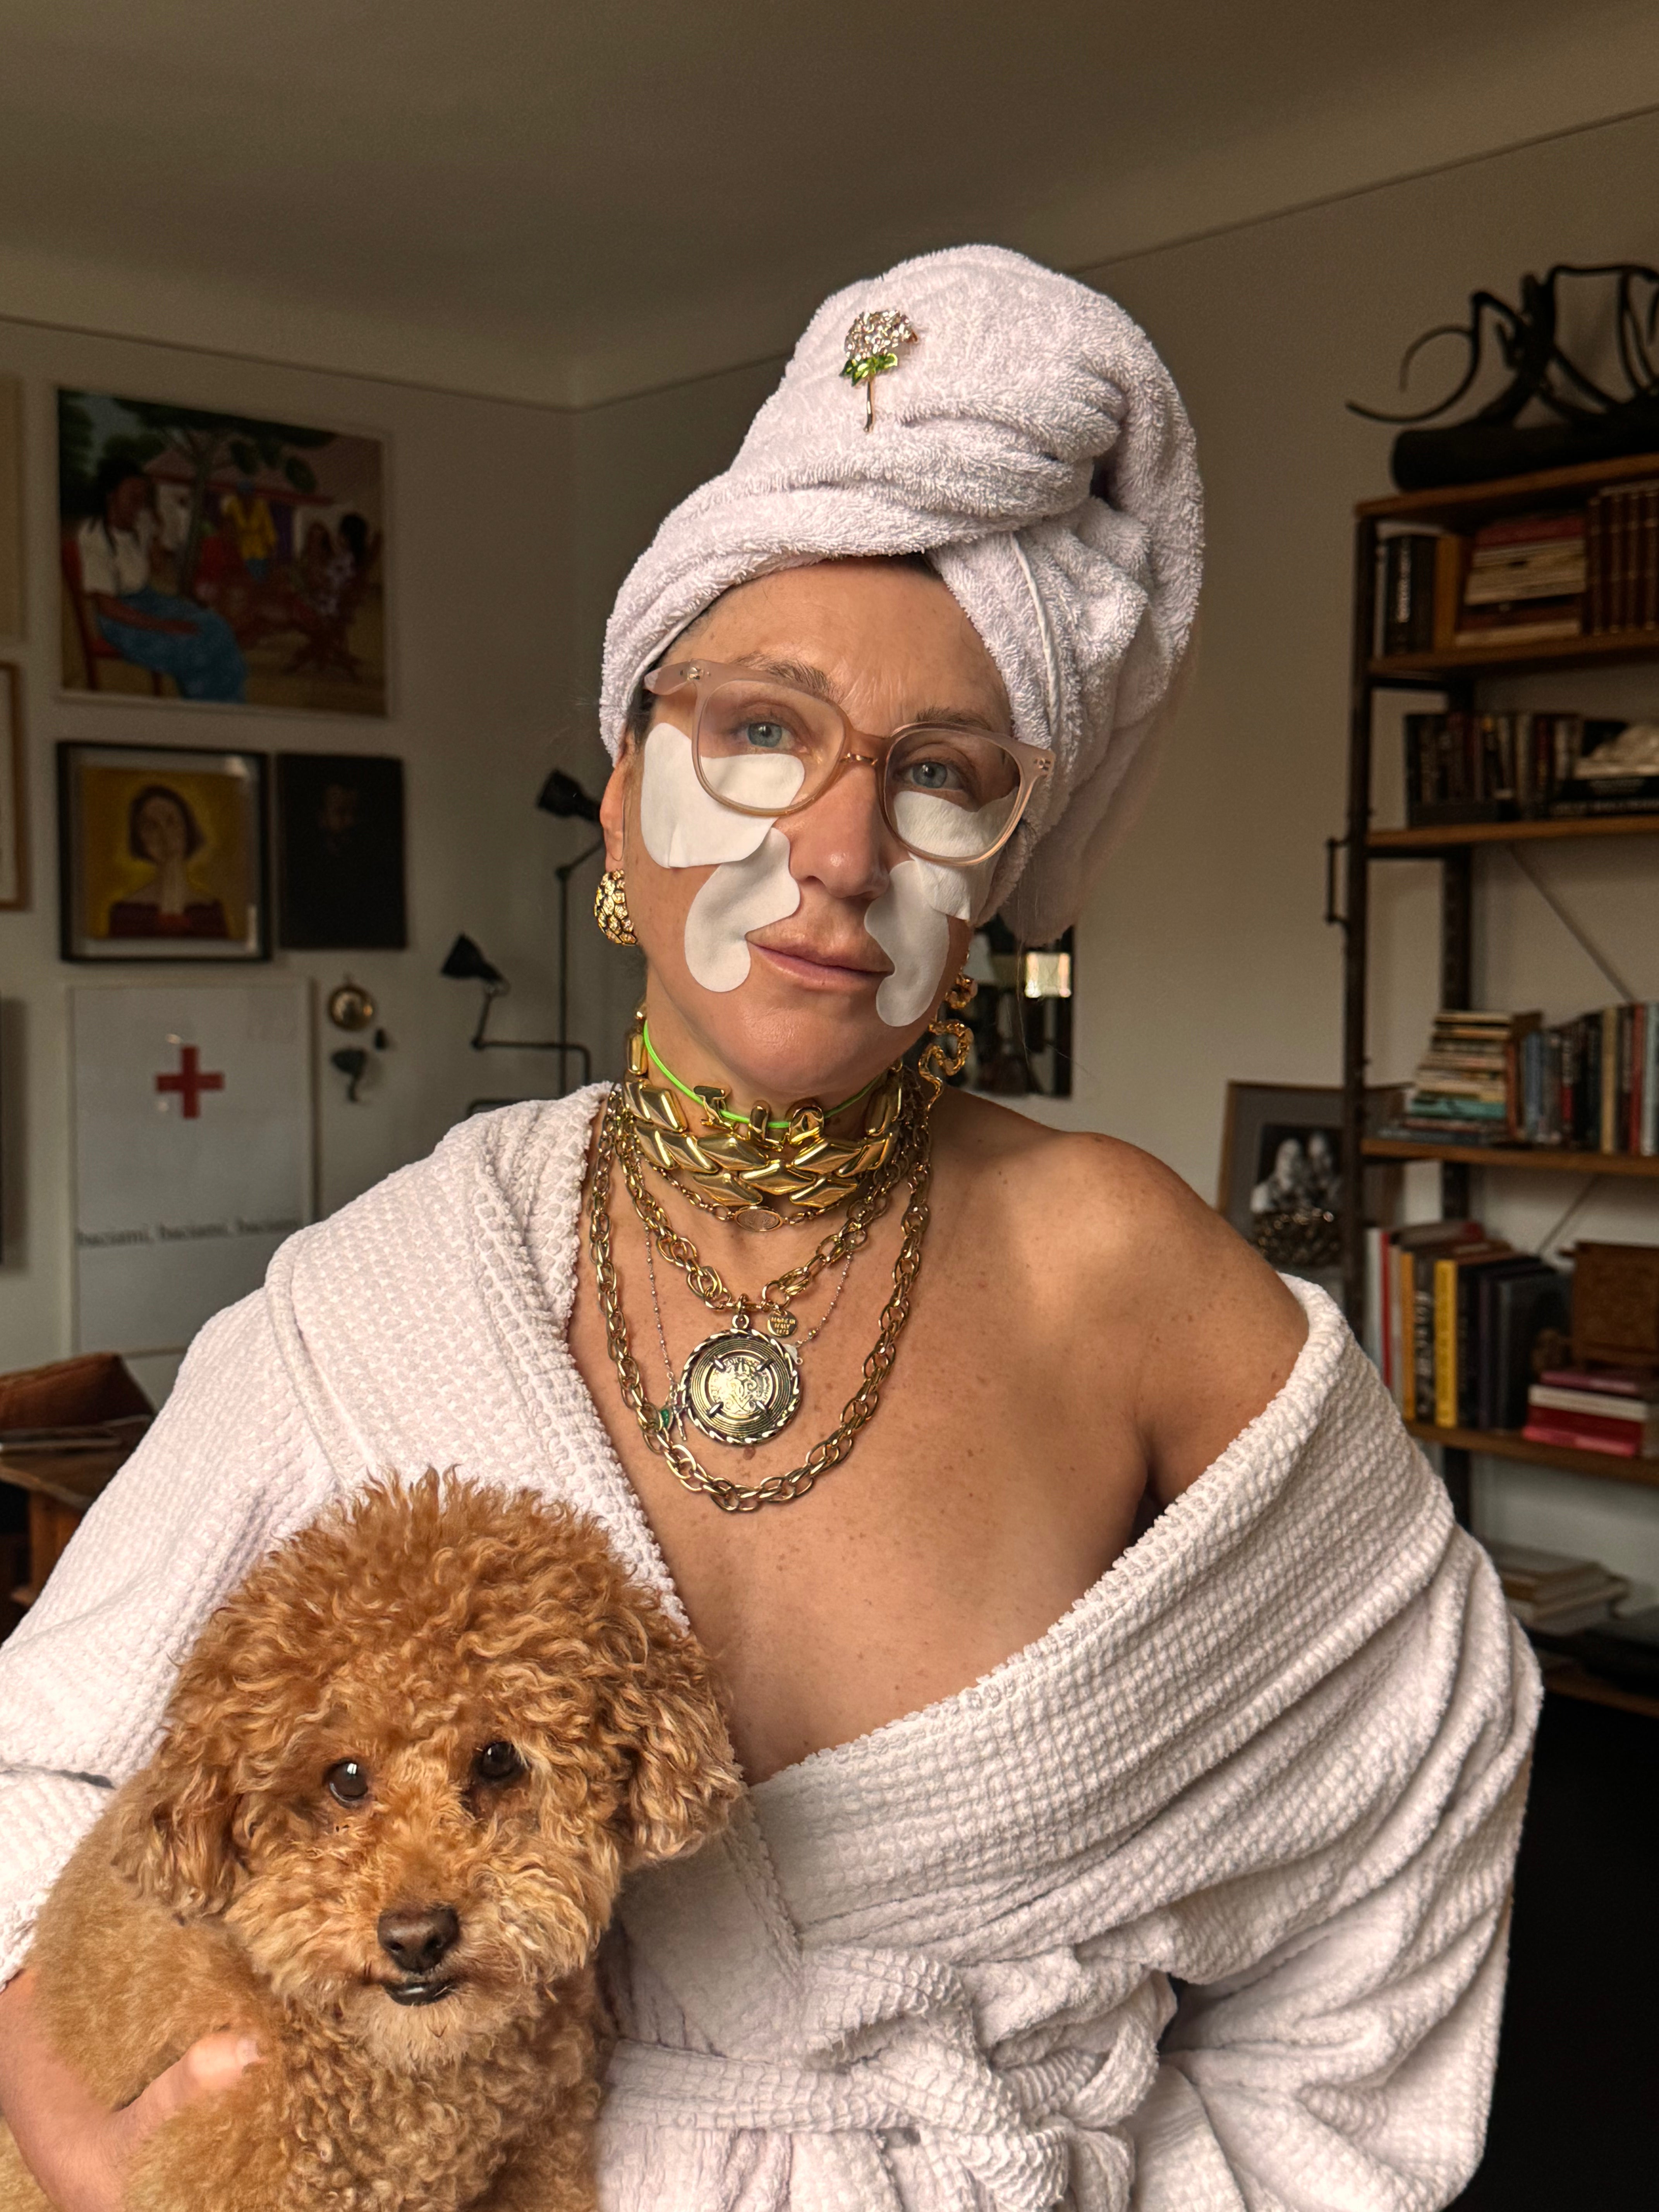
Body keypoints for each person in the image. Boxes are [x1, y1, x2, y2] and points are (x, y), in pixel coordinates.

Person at [0, 247, 1535, 2211]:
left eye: (942, 777)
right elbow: (40, 1766)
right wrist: (75, 2124)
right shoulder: (389, 1287)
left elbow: (1423, 1782)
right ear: (626, 793)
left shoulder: (1117, 1268)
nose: (835, 848)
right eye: (760, 731)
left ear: (1004, 871)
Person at [74, 458, 246, 703]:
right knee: (194, 645)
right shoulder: (94, 537)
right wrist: (165, 626)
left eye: (143, 497)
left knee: (217, 627)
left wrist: (156, 535)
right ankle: (209, 712)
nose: (139, 504)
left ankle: (231, 707)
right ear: (111, 496)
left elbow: (157, 567)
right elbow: (108, 607)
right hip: (122, 619)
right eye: (132, 496)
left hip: (149, 600)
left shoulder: (142, 522)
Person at [104, 785, 229, 941]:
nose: (165, 835)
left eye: (171, 822)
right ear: (139, 837)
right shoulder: (126, 914)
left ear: (187, 827)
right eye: (152, 827)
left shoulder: (210, 913)